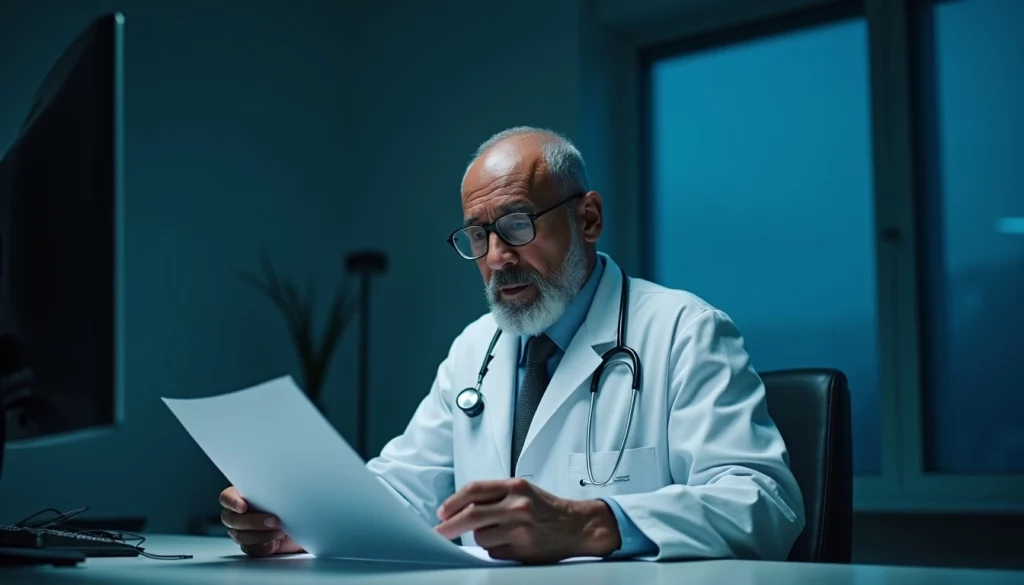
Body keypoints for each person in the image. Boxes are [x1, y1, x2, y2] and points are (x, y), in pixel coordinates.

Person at [218, 126, 806, 563]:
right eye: (478, 235)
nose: (498, 257)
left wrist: (590, 524)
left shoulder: (685, 330)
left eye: (519, 225)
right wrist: (303, 521)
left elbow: (764, 503)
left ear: (590, 219)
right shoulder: (477, 347)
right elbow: (405, 487)